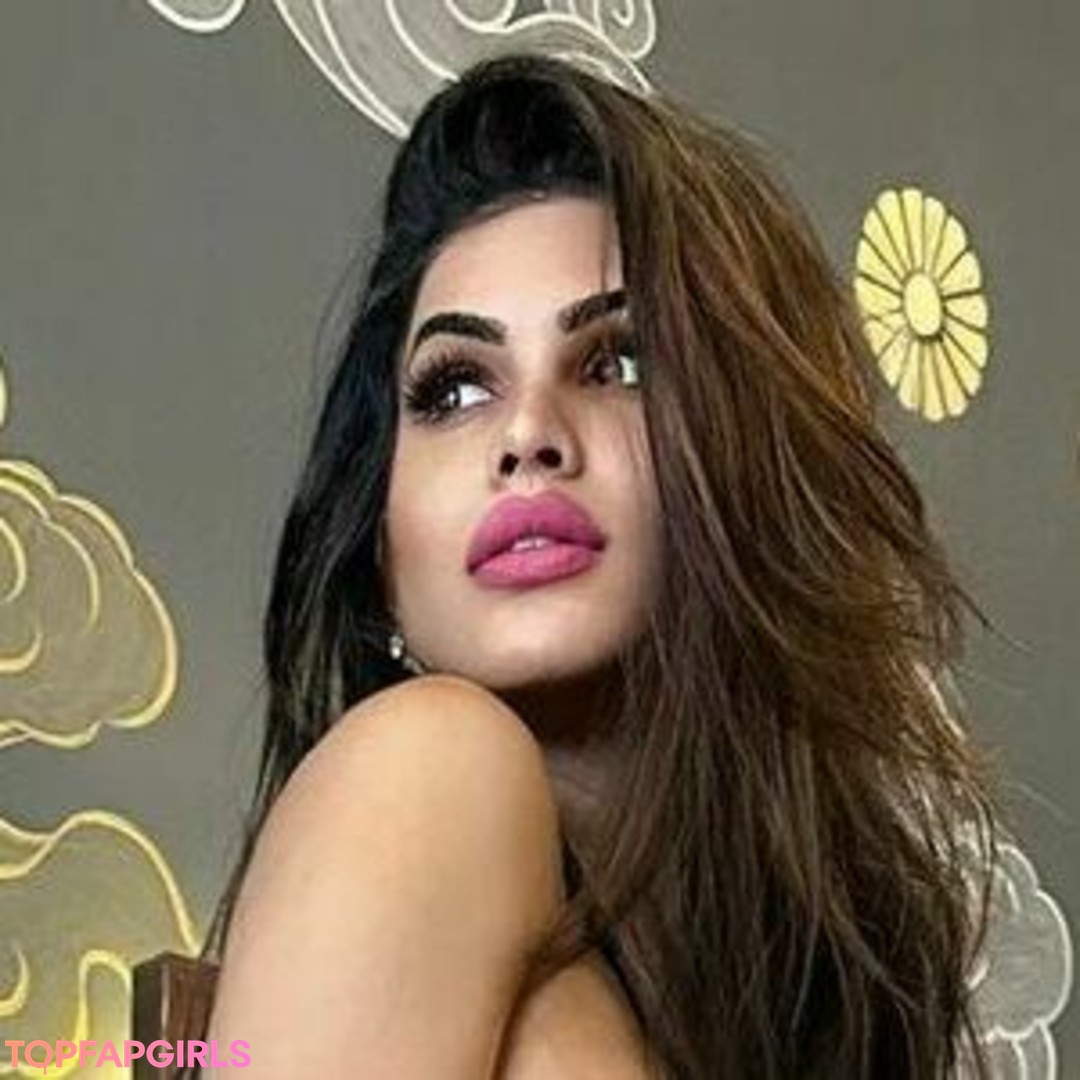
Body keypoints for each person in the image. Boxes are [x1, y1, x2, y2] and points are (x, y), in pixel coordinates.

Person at [190, 52, 1000, 1078]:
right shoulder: (431, 765)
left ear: (750, 462)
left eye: (616, 363)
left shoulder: (794, 980)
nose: (527, 433)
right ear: (380, 553)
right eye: (453, 389)